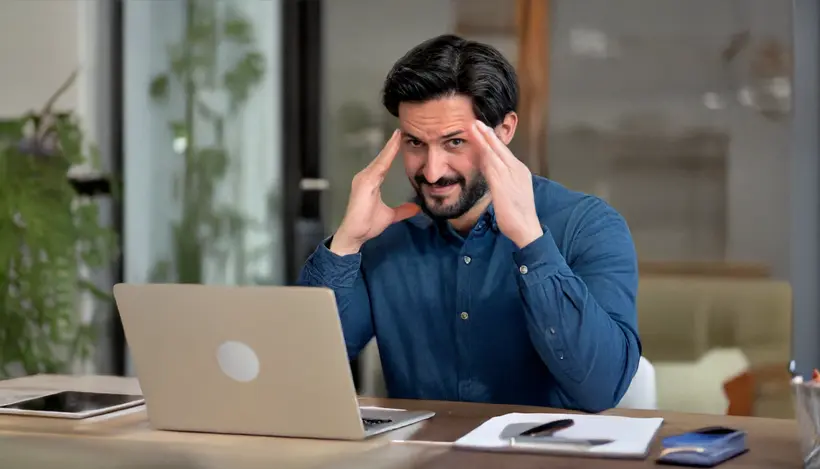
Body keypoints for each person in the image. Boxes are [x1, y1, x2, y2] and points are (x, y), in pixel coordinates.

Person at [298, 34, 641, 412]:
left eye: (454, 143)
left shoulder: (587, 226)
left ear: (505, 130)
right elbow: (301, 368)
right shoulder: (386, 237)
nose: (431, 171)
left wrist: (531, 241)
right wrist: (346, 243)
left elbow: (602, 388)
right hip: (417, 458)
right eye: (415, 143)